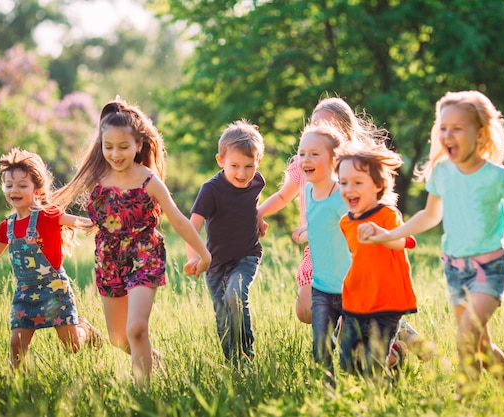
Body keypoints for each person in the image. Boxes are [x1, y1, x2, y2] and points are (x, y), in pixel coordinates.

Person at [358, 90, 504, 400]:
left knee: (466, 335)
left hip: (490, 268)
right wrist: (386, 235)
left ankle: (466, 399)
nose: (449, 134)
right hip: (456, 270)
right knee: (481, 346)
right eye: (443, 127)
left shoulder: (497, 176)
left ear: (481, 133)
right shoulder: (442, 172)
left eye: (458, 127)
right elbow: (429, 215)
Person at [259, 96, 432, 362]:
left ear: (344, 135)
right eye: (315, 125)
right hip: (318, 250)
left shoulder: (350, 168)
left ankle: (390, 343)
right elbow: (283, 196)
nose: (321, 132)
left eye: (329, 128)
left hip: (351, 252)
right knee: (307, 311)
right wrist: (257, 212)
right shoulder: (302, 164)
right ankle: (389, 339)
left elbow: (370, 205)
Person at [54, 97, 211, 387]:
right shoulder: (96, 177)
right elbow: (71, 211)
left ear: (138, 145)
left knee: (136, 328)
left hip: (144, 255)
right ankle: (152, 358)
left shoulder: (149, 181)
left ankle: (144, 394)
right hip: (108, 260)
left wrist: (204, 254)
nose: (115, 154)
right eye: (108, 146)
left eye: (123, 147)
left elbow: (177, 219)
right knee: (118, 338)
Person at [0, 148, 103, 370]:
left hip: (54, 289)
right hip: (25, 293)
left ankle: (85, 331)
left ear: (37, 190)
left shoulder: (48, 215)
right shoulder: (7, 226)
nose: (14, 190)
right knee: (17, 344)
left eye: (22, 185)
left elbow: (83, 222)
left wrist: (105, 219)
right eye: (9, 185)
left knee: (72, 345)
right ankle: (15, 385)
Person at [184, 120, 265, 369]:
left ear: (257, 162)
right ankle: (233, 362)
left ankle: (247, 354)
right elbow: (192, 226)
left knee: (235, 295)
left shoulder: (257, 182)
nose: (242, 173)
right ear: (221, 160)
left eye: (249, 166)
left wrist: (258, 219)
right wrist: (193, 258)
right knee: (223, 317)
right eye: (235, 166)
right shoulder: (211, 190)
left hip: (246, 256)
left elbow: (250, 205)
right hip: (216, 263)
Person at [336, 143, 418, 376]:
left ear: (378, 185)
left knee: (372, 362)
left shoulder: (387, 215)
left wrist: (381, 234)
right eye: (343, 183)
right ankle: (395, 355)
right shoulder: (345, 222)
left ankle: (379, 394)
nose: (349, 189)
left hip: (388, 301)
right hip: (356, 299)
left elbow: (404, 241)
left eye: (357, 182)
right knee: (348, 363)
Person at [296, 121, 351, 385]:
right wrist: (306, 230)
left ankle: (377, 376)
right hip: (321, 287)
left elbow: (356, 222)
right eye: (302, 153)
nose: (306, 159)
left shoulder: (343, 195)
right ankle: (328, 392)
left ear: (334, 159)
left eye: (314, 153)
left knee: (352, 353)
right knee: (321, 347)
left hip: (350, 287)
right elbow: (321, 221)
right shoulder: (308, 189)